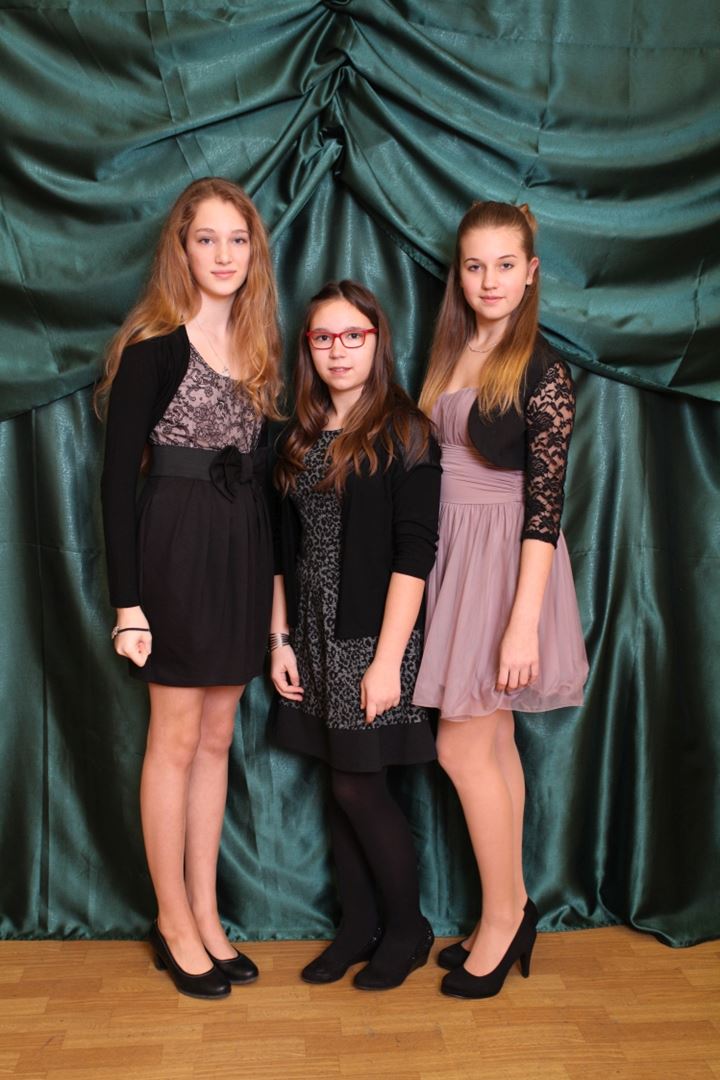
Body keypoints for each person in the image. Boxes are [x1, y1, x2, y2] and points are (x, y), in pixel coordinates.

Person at [96, 177, 282, 999]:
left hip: (239, 547)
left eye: (237, 239)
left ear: (254, 251)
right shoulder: (154, 347)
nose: (223, 254)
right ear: (181, 248)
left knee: (216, 739)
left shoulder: (261, 348)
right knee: (172, 741)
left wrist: (273, 611)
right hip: (173, 547)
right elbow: (114, 482)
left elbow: (267, 481)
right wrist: (127, 603)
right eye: (206, 238)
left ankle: (207, 915)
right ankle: (172, 921)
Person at [413, 200, 589, 999]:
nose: (489, 280)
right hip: (452, 554)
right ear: (459, 272)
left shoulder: (543, 371)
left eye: (505, 265)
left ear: (531, 272)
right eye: (475, 265)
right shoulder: (454, 348)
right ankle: (513, 907)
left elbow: (545, 511)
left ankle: (501, 918)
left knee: (460, 748)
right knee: (493, 745)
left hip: (505, 564)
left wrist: (522, 625)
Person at [270, 280, 441, 991]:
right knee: (337, 784)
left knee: (359, 786)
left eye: (353, 336)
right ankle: (357, 924)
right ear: (308, 348)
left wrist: (387, 660)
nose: (338, 350)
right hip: (311, 632)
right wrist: (279, 639)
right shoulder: (296, 435)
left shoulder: (406, 430)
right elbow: (279, 546)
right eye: (323, 338)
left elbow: (415, 553)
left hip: (371, 635)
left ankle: (407, 928)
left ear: (377, 341)